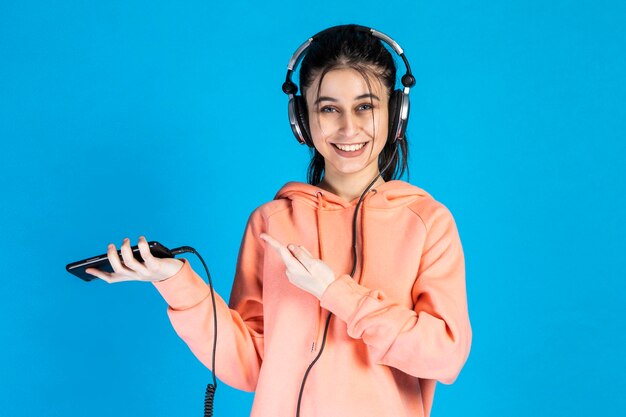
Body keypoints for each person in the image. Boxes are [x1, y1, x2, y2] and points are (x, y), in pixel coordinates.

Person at [85, 24, 472, 417]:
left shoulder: (427, 223)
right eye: (328, 108)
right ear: (302, 119)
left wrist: (337, 293)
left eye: (365, 106)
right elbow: (251, 364)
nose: (348, 128)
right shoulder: (272, 223)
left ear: (396, 112)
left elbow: (445, 355)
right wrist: (175, 282)